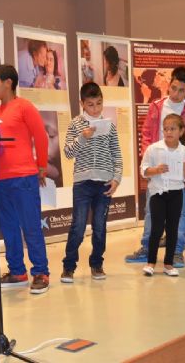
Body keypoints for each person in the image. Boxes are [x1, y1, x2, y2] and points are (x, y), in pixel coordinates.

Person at [125, 66, 185, 268]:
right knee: (152, 212)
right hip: (158, 171)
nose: (176, 94)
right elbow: (146, 134)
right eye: (173, 88)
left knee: (181, 214)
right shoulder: (156, 106)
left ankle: (176, 252)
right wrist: (149, 164)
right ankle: (146, 248)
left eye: (181, 90)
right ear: (169, 86)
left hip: (180, 173)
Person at [0, 64, 50, 294]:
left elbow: (40, 136)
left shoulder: (24, 106)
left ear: (8, 83)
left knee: (31, 226)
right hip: (0, 179)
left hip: (24, 177)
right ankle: (17, 271)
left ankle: (41, 272)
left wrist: (42, 165)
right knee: (9, 227)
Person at [61, 82, 122, 283]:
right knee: (78, 226)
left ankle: (97, 263)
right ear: (82, 104)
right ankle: (69, 266)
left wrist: (116, 179)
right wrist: (82, 138)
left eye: (99, 104)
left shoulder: (109, 125)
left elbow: (117, 155)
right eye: (90, 105)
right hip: (83, 184)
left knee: (99, 226)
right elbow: (68, 153)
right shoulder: (76, 124)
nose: (95, 109)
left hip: (104, 184)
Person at [140, 114, 185, 277]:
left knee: (172, 229)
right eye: (166, 129)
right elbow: (144, 170)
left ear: (181, 131)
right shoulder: (154, 149)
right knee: (156, 228)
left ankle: (168, 264)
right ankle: (150, 262)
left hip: (176, 194)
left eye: (173, 129)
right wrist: (155, 170)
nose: (168, 132)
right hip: (157, 193)